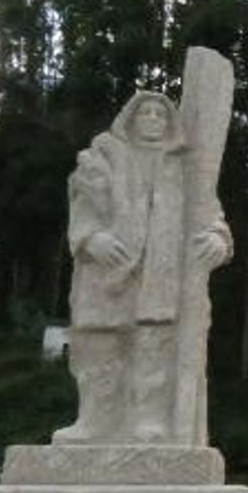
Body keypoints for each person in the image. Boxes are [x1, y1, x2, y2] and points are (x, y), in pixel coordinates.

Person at [55, 91, 231, 444]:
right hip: (108, 273)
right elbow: (83, 204)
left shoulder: (185, 169)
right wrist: (92, 238)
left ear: (170, 124)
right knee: (99, 347)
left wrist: (218, 240)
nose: (152, 118)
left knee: (153, 347)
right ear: (130, 119)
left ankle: (149, 422)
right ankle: (94, 422)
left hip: (160, 275)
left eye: (160, 114)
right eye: (145, 112)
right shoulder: (102, 156)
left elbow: (211, 217)